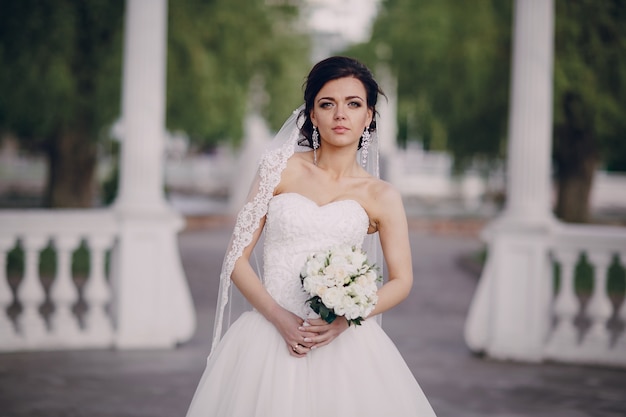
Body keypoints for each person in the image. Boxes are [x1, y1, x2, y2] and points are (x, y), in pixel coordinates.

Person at [186, 56, 437, 417]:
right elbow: (236, 259)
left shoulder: (382, 195)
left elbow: (402, 280)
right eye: (327, 104)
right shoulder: (278, 169)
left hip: (343, 342)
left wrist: (347, 317)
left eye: (353, 104)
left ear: (368, 116)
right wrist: (279, 318)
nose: (340, 114)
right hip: (267, 335)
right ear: (312, 114)